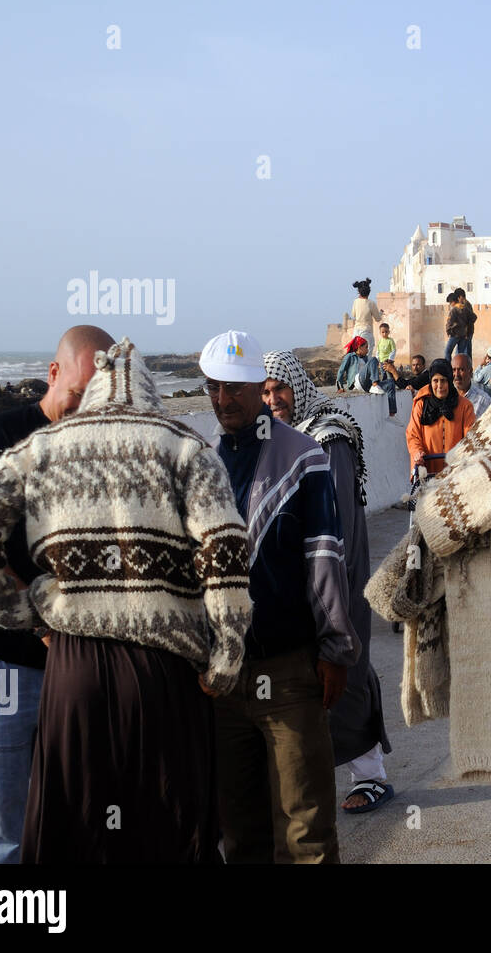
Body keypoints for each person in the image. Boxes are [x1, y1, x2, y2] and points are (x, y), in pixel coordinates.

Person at [0, 335, 251, 862]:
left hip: (71, 669)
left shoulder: (48, 447)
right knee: (169, 827)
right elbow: (225, 552)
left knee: (74, 828)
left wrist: (22, 609)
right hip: (165, 676)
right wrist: (226, 657)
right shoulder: (185, 447)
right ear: (150, 391)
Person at [0, 324, 114, 864]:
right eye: (76, 396)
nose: (85, 411)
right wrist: (44, 626)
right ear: (53, 374)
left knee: (68, 827)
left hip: (71, 668)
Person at [204, 330, 359, 864]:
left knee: (305, 830)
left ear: (256, 387)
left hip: (291, 673)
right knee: (240, 834)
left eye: (235, 389)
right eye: (213, 389)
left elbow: (325, 558)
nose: (223, 400)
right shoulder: (204, 465)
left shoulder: (305, 457)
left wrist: (336, 650)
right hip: (224, 680)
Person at [262, 351, 393, 815]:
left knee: (347, 667)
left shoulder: (328, 434)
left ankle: (371, 776)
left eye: (280, 388)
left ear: (297, 386)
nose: (273, 398)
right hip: (303, 573)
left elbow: (331, 519)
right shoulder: (280, 439)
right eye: (265, 391)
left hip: (337, 568)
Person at [406, 358, 475, 476]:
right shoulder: (421, 405)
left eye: (443, 381)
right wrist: (417, 452)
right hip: (427, 470)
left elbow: (470, 436)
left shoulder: (464, 406)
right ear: (430, 382)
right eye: (435, 381)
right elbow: (413, 434)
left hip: (455, 472)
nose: (439, 386)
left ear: (449, 381)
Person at [451, 351, 491, 417]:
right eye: (453, 370)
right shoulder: (445, 397)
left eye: (461, 370)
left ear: (470, 372)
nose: (456, 374)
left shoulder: (484, 401)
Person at [346, 279, 379, 355]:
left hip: (356, 332)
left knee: (356, 353)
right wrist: (380, 313)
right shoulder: (371, 303)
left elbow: (353, 315)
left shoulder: (355, 301)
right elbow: (377, 318)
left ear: (359, 292)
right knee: (368, 352)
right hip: (366, 331)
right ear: (369, 292)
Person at [443, 292, 467, 364]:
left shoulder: (454, 310)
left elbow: (449, 322)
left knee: (447, 351)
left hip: (455, 334)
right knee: (460, 354)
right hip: (463, 334)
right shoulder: (465, 308)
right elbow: (473, 317)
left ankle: (448, 368)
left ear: (452, 302)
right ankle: (459, 367)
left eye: (450, 303)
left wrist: (448, 331)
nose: (450, 305)